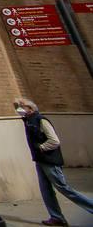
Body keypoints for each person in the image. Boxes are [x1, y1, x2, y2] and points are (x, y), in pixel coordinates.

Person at [16, 97, 93, 226]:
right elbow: (16, 105)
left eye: (23, 107)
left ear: (31, 109)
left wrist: (41, 147)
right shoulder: (28, 120)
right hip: (40, 160)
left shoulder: (41, 120)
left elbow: (54, 141)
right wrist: (18, 102)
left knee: (64, 188)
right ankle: (56, 217)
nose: (20, 110)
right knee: (46, 190)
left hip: (50, 160)